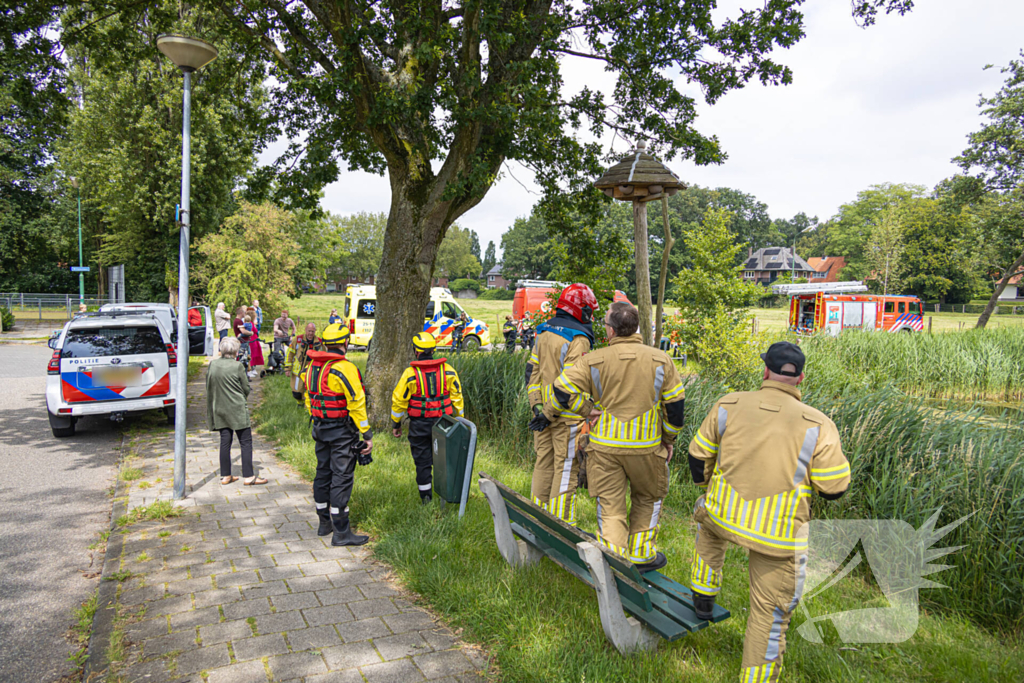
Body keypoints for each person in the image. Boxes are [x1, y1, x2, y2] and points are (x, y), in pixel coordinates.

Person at [687, 341, 850, 683]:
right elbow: (834, 488)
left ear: (765, 371)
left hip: (722, 514)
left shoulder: (729, 403)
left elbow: (698, 456)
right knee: (768, 613)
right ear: (800, 378)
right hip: (776, 535)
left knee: (708, 525)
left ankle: (703, 594)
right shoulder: (819, 424)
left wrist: (708, 490)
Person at [539, 301, 685, 572]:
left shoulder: (594, 360)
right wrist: (668, 440)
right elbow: (675, 408)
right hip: (647, 448)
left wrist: (585, 409)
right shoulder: (662, 360)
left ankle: (613, 556)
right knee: (648, 496)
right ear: (635, 328)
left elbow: (560, 390)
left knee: (610, 504)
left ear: (611, 331)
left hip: (604, 449)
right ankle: (641, 554)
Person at [523, 283, 597, 524]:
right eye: (588, 311)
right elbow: (568, 386)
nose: (591, 317)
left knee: (543, 465)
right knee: (565, 471)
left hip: (543, 418)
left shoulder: (543, 332)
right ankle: (560, 531)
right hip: (566, 419)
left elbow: (531, 375)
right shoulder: (579, 339)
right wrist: (587, 410)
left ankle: (537, 523)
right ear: (579, 310)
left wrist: (537, 409)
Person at [302, 323, 373, 546]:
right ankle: (341, 532)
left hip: (319, 427)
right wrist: (366, 433)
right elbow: (357, 402)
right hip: (342, 431)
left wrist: (318, 417)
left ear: (324, 342)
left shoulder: (312, 366)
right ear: (345, 343)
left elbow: (308, 397)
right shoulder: (346, 368)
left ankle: (324, 524)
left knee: (322, 473)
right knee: (341, 476)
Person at [390, 332, 465, 503]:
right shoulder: (448, 371)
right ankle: (446, 497)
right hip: (444, 423)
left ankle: (426, 499)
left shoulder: (410, 374)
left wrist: (396, 423)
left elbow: (399, 400)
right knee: (445, 459)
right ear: (433, 350)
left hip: (419, 425)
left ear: (416, 351)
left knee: (423, 462)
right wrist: (460, 419)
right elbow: (457, 397)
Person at [206, 337, 268, 486]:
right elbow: (246, 388)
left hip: (220, 408)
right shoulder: (238, 366)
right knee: (245, 442)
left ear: (221, 350)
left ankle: (226, 475)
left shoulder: (212, 364)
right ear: (235, 351)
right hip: (237, 409)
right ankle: (249, 476)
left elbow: (209, 385)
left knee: (225, 442)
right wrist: (241, 397)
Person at [286, 322, 323, 402]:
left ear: (315, 331)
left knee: (311, 389)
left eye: (312, 331)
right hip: (299, 369)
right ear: (305, 330)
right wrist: (288, 368)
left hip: (313, 368)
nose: (310, 333)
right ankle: (300, 402)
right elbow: (290, 354)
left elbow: (324, 355)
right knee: (297, 392)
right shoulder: (298, 339)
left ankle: (308, 405)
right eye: (309, 331)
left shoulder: (319, 342)